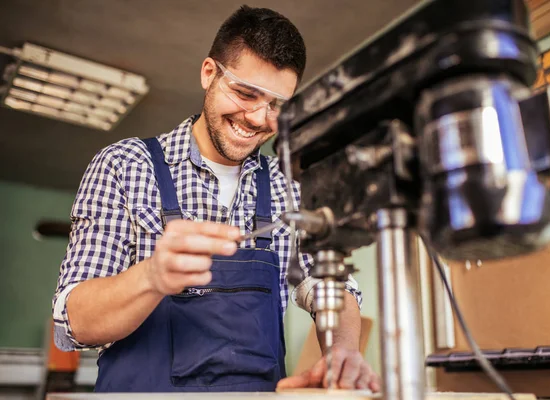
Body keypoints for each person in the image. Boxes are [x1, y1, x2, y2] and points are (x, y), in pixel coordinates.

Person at [52, 5, 380, 393]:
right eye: (245, 93)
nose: (258, 118)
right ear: (210, 73)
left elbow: (329, 284)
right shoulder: (124, 165)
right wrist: (152, 276)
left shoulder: (286, 185)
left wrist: (343, 352)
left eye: (276, 106)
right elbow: (73, 322)